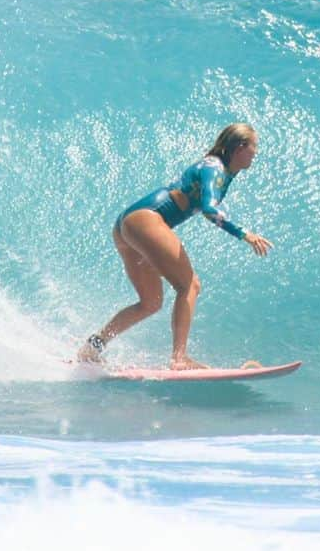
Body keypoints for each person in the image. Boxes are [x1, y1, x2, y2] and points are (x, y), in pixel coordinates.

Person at [76, 123, 273, 370]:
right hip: (145, 220)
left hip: (128, 226)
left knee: (151, 302)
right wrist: (245, 234)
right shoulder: (214, 168)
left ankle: (92, 347)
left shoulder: (218, 170)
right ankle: (179, 358)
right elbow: (210, 209)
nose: (256, 153)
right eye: (254, 147)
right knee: (190, 285)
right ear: (240, 147)